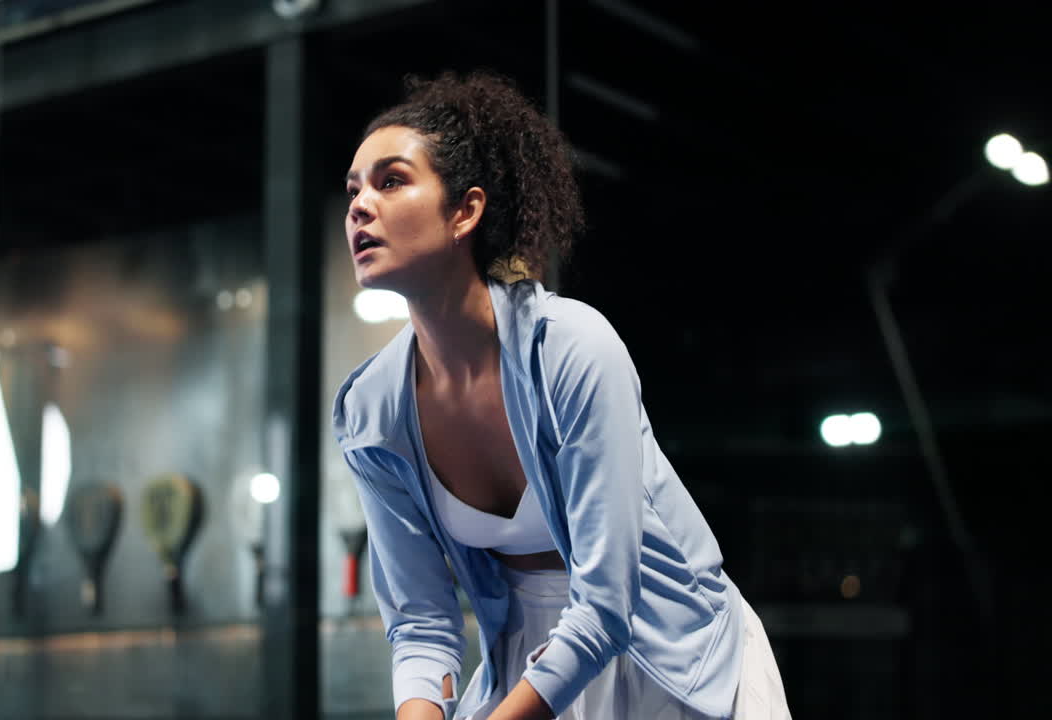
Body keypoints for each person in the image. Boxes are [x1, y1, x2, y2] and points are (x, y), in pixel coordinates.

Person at [332, 72, 791, 720]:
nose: (359, 206)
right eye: (353, 189)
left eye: (391, 181)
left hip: (677, 658)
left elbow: (604, 606)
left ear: (465, 211)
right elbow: (421, 623)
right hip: (530, 664)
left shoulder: (572, 348)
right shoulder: (370, 411)